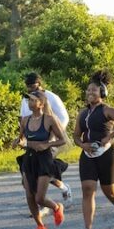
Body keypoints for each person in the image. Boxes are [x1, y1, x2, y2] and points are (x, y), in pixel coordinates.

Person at [73, 71, 114, 229]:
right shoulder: (82, 113)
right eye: (88, 91)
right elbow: (76, 136)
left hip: (107, 154)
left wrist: (110, 136)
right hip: (87, 155)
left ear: (102, 93)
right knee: (88, 188)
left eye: (94, 90)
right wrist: (83, 145)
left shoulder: (107, 110)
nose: (90, 93)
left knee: (110, 192)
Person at [13, 90, 69, 229]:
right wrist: (18, 142)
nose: (29, 103)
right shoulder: (25, 120)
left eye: (32, 100)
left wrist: (46, 145)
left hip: (44, 160)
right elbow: (22, 139)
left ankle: (57, 207)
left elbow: (62, 140)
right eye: (28, 100)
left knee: (39, 198)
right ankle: (40, 226)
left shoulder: (50, 119)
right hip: (29, 159)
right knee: (29, 195)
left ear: (41, 104)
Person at [20, 72, 72, 207]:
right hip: (33, 140)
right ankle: (62, 187)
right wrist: (23, 138)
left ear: (40, 84)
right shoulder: (27, 100)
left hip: (50, 137)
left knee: (43, 168)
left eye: (33, 86)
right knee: (37, 171)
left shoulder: (51, 97)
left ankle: (42, 202)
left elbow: (64, 117)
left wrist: (51, 135)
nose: (31, 89)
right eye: (28, 87)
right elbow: (23, 119)